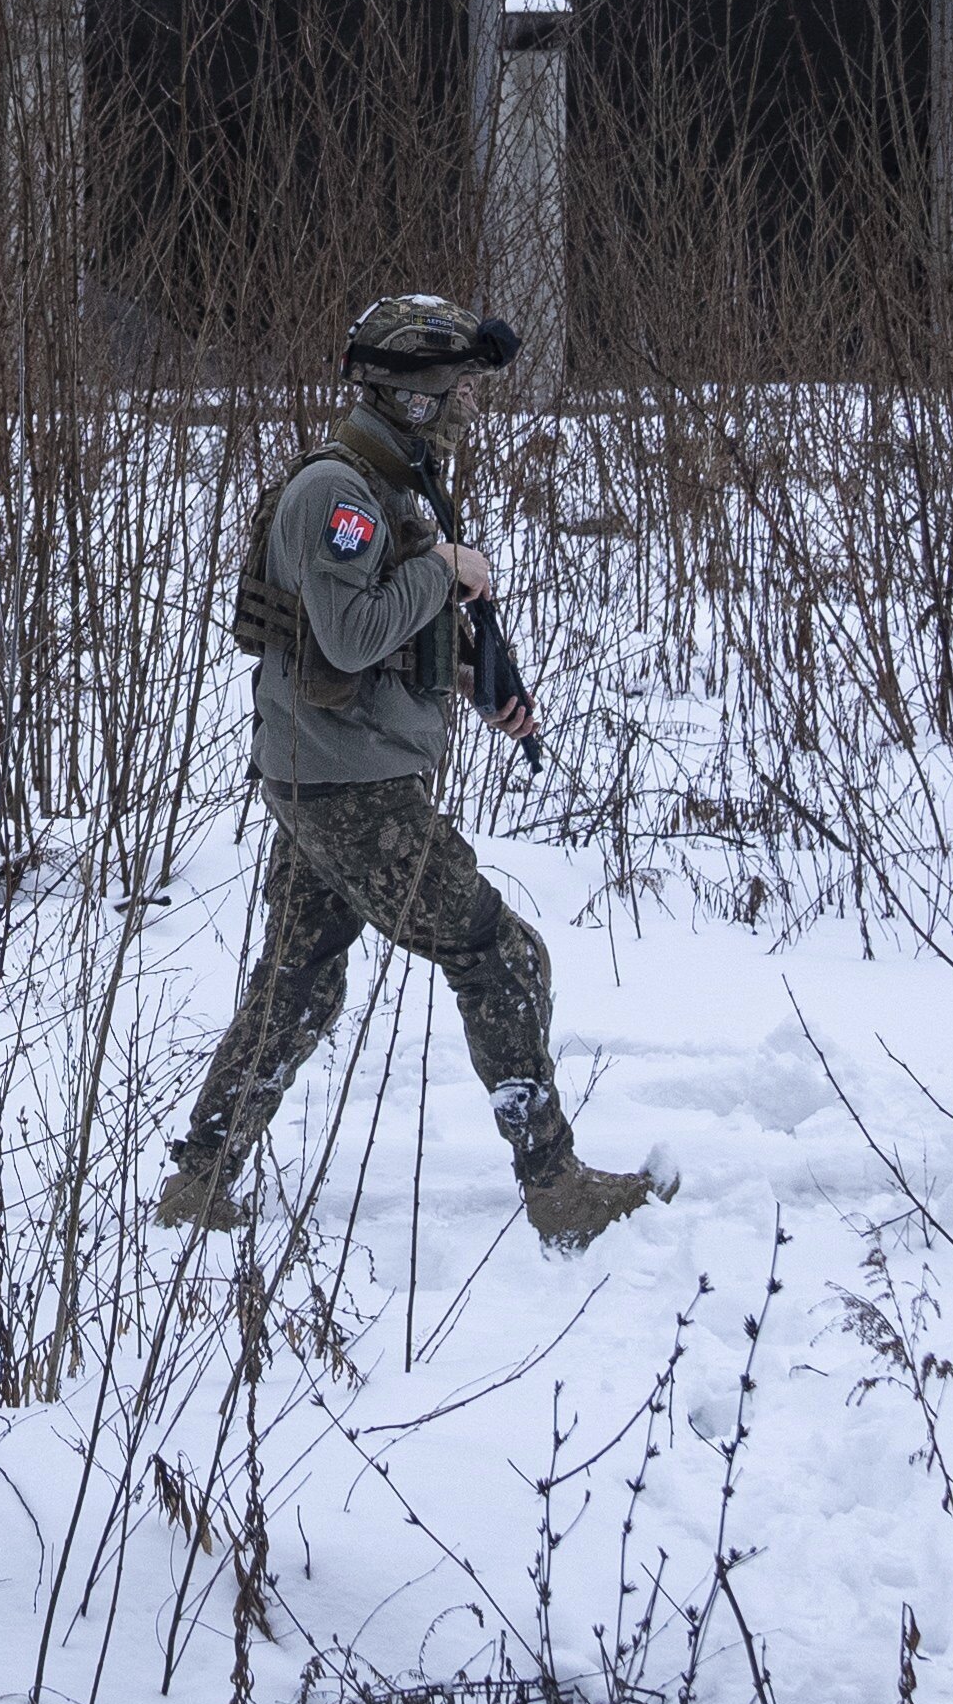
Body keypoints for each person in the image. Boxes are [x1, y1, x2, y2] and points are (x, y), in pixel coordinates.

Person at [151, 291, 661, 1252]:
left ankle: (199, 1182)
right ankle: (554, 1187)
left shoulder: (386, 486)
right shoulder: (340, 496)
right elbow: (344, 640)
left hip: (334, 772)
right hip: (349, 788)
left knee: (298, 984)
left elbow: (360, 640)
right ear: (414, 398)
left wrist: (470, 677)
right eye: (459, 386)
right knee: (502, 958)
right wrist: (450, 572)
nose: (472, 401)